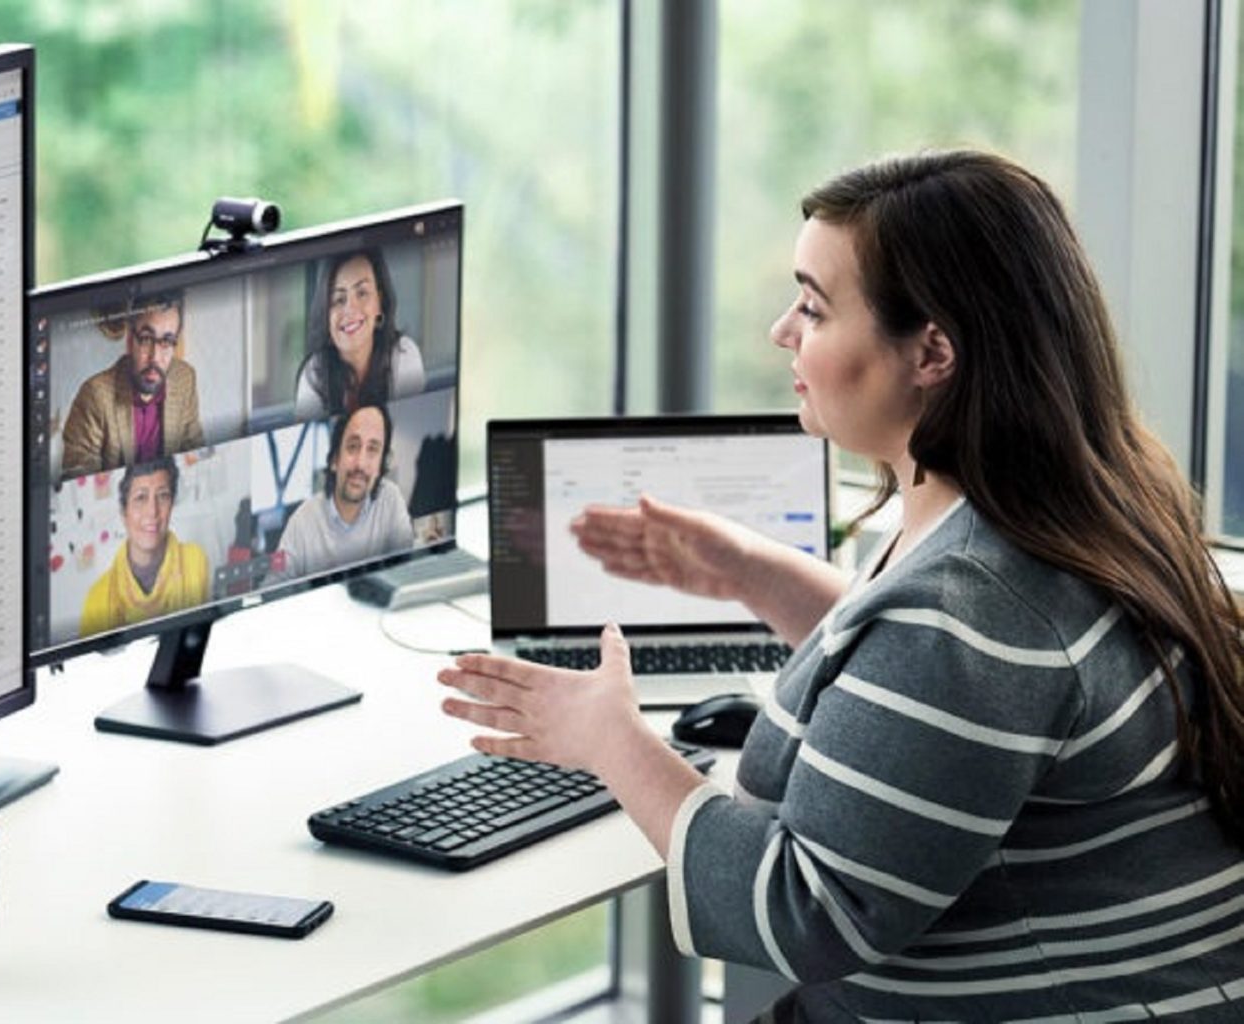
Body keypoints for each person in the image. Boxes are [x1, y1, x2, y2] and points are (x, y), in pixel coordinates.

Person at [439, 151, 1244, 1020]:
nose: (782, 331)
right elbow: (967, 711)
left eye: (814, 308)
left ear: (931, 351)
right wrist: (755, 574)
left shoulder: (971, 611)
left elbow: (805, 913)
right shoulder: (1075, 506)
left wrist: (611, 741)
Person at [61, 293, 205, 475]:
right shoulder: (94, 395)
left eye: (167, 342)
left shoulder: (185, 378)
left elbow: (194, 451)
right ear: (130, 340)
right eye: (145, 339)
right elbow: (79, 476)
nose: (155, 358)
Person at [274, 403, 414, 581]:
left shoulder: (391, 499)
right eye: (353, 446)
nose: (360, 464)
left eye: (372, 449)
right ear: (334, 460)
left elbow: (407, 567)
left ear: (380, 467)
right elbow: (274, 584)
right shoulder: (301, 522)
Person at [80, 456, 210, 635]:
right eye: (141, 498)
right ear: (124, 513)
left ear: (171, 505)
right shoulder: (97, 598)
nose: (152, 511)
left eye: (162, 496)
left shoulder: (195, 561)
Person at [293, 248, 425, 419]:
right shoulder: (314, 373)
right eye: (339, 300)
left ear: (380, 302)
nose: (350, 310)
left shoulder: (404, 354)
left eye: (362, 293)